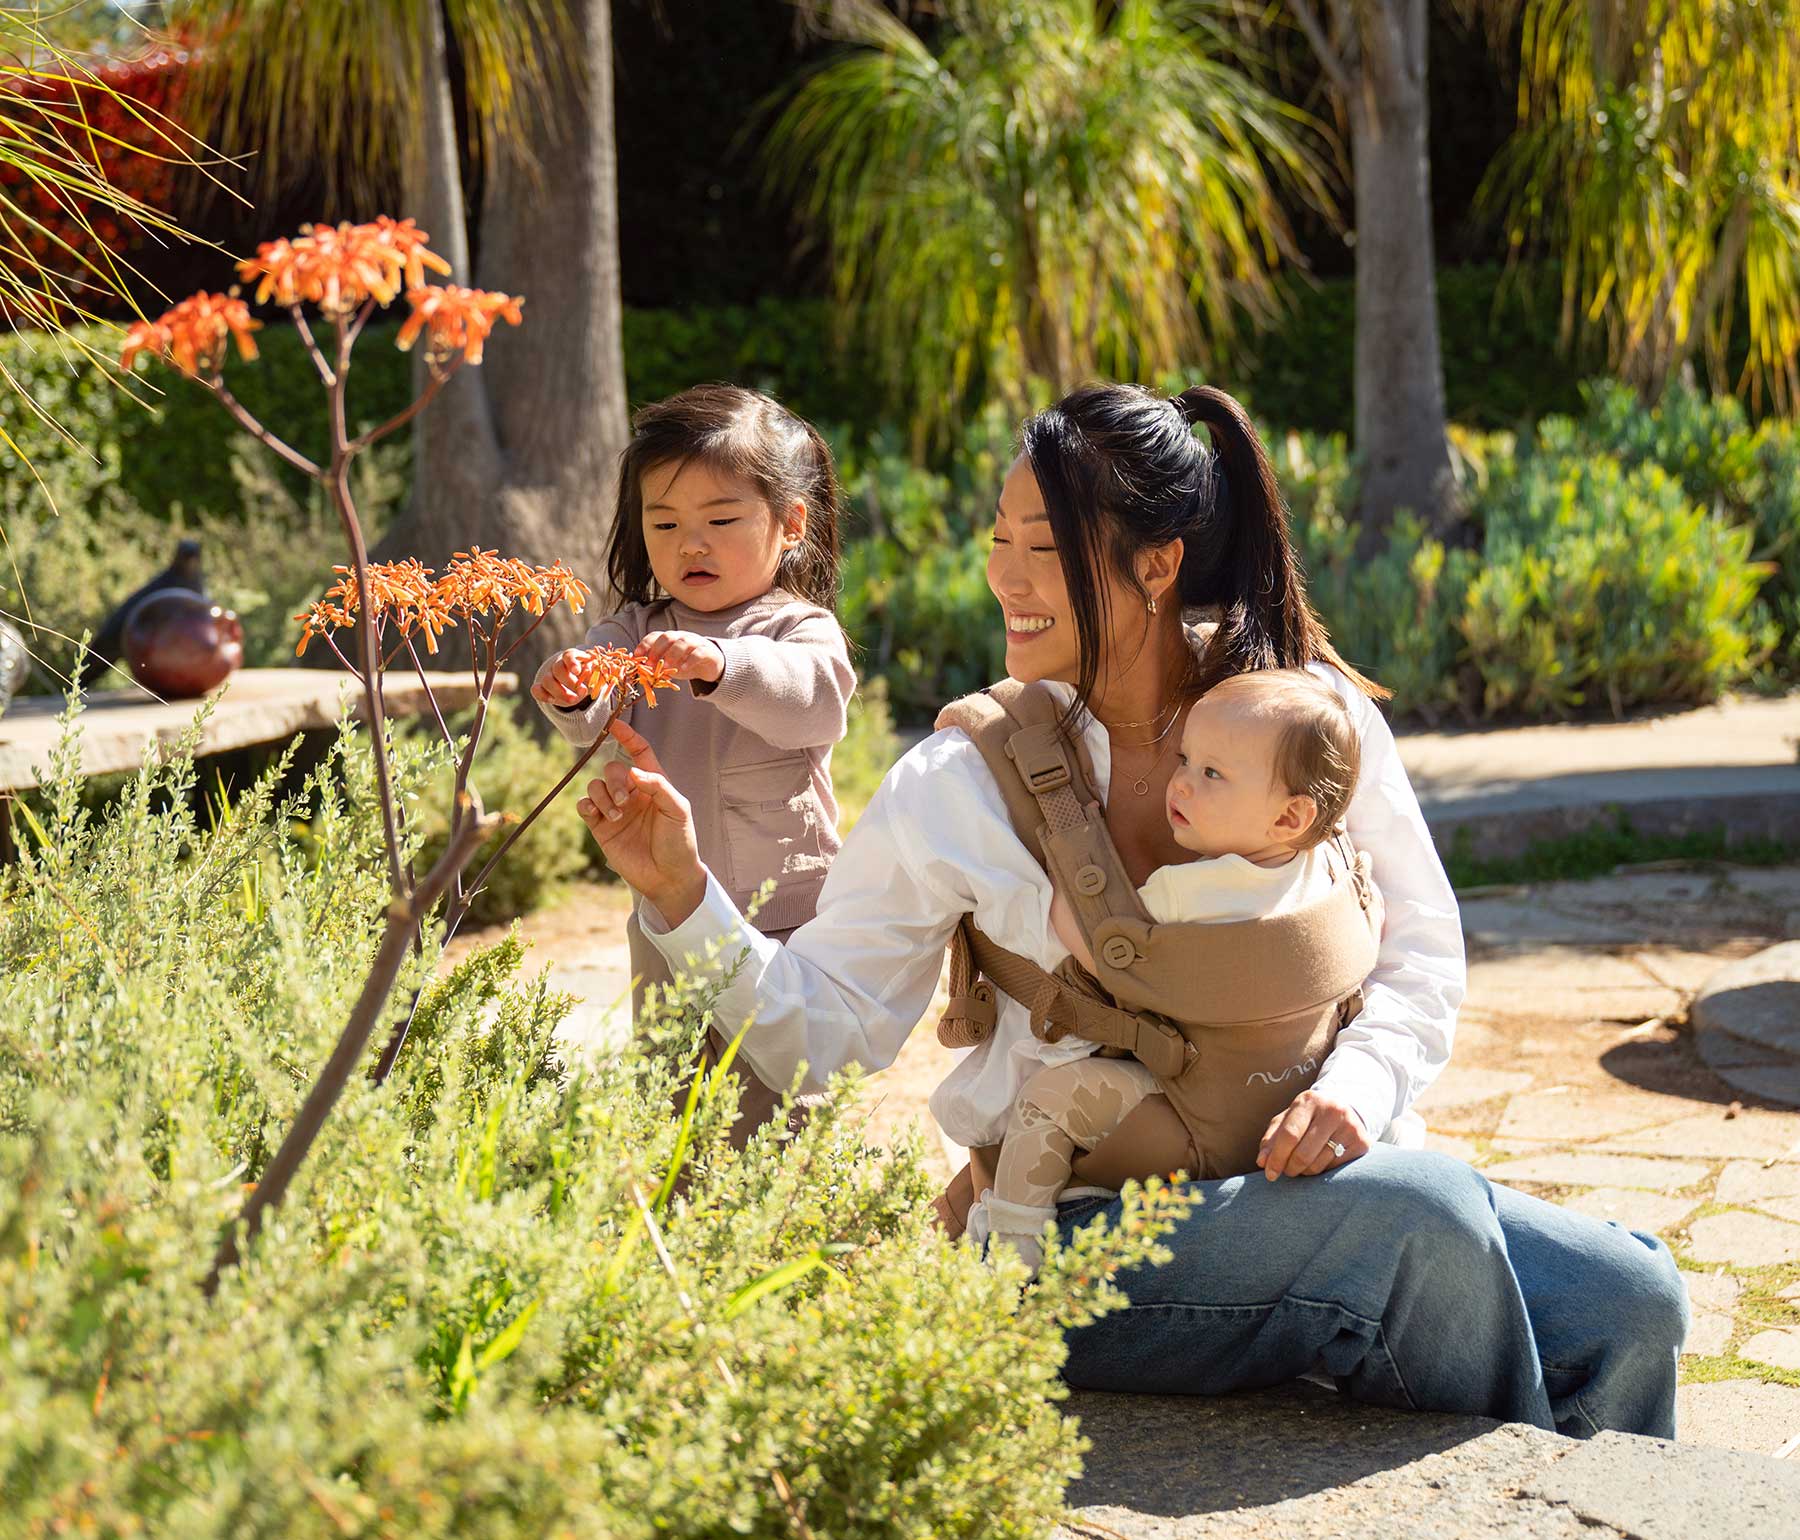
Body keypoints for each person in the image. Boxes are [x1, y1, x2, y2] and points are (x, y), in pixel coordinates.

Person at [575, 382, 1688, 1438]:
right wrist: (681, 891)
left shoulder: (1314, 718)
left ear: (1158, 563)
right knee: (1423, 1222)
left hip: (1323, 1183)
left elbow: (1422, 950)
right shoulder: (961, 783)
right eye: (1000, 539)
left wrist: (1356, 1089)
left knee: (1636, 1298)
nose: (1007, 575)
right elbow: (821, 1034)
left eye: (1047, 548)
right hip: (1074, 1230)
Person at [532, 382, 855, 1143]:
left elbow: (814, 702)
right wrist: (572, 688)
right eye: (665, 522)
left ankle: (776, 1229)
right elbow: (590, 711)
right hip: (665, 912)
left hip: (778, 916)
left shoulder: (797, 627)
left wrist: (722, 663)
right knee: (670, 1090)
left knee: (772, 1090)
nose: (691, 543)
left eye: (719, 519)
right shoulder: (637, 627)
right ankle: (680, 1227)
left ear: (790, 525)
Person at [977, 668, 1375, 1277]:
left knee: (1048, 1102)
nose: (1179, 783)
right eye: (1185, 759)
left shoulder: (1182, 895)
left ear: (1291, 817)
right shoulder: (1331, 871)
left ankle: (1011, 1246)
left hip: (1192, 1125)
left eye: (1211, 773)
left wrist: (1063, 875)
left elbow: (1093, 938)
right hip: (1295, 1110)